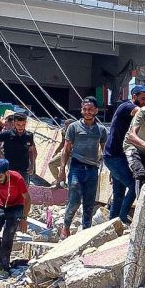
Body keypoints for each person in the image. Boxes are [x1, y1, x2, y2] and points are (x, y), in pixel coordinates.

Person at [103, 85, 145, 223]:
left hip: (120, 156)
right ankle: (123, 217)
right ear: (134, 96)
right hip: (114, 156)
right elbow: (140, 111)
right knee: (134, 185)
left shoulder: (135, 113)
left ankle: (113, 223)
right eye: (143, 99)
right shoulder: (127, 106)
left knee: (118, 193)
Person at [60, 97, 108, 238]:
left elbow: (105, 151)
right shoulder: (73, 127)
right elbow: (66, 149)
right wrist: (62, 170)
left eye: (90, 109)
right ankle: (66, 226)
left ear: (96, 110)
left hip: (92, 169)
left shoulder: (101, 130)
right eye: (85, 109)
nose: (87, 112)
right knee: (74, 200)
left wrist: (109, 170)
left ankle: (85, 232)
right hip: (76, 167)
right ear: (81, 110)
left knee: (89, 203)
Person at [0, 112, 37, 185]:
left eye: (23, 124)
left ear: (26, 123)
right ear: (14, 123)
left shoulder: (29, 136)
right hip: (9, 169)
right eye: (18, 124)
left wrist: (32, 165)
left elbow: (31, 151)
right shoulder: (7, 134)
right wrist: (2, 154)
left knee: (23, 189)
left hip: (24, 170)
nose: (20, 127)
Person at [48, 119, 75, 186]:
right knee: (51, 164)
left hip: (74, 154)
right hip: (65, 152)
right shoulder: (64, 131)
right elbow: (63, 143)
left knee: (72, 171)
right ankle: (60, 181)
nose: (67, 128)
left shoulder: (78, 132)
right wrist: (56, 152)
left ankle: (71, 185)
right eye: (66, 126)